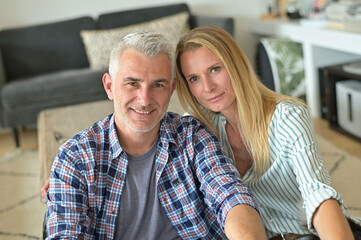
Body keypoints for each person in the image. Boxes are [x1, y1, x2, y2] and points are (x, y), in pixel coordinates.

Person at [45, 31, 267, 239]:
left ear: (171, 89)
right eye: (133, 83)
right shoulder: (74, 158)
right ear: (110, 86)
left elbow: (230, 197)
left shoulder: (193, 136)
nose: (145, 99)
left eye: (157, 85)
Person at [175, 26, 361, 240]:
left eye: (215, 69)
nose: (207, 87)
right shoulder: (197, 128)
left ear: (236, 65)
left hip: (307, 234)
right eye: (194, 79)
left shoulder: (287, 116)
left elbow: (317, 192)